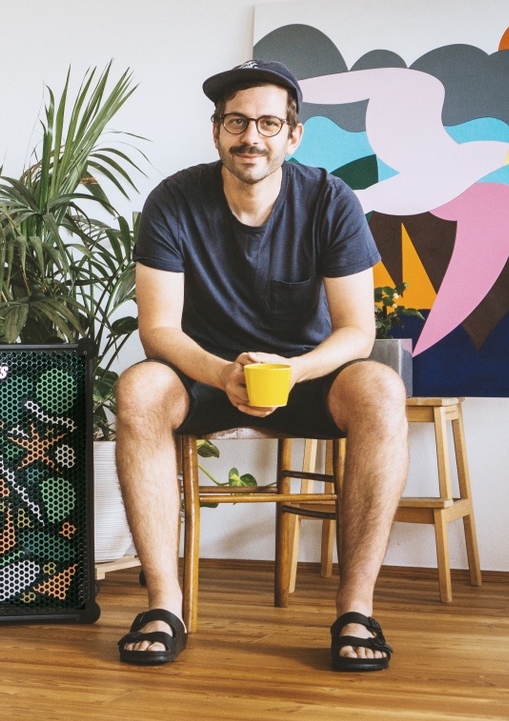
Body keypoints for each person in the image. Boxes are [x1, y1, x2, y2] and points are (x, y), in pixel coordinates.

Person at [114, 60, 409, 672]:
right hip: (206, 374)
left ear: (293, 135)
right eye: (237, 121)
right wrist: (223, 372)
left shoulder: (330, 199)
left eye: (269, 123)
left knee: (381, 387)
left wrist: (294, 371)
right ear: (217, 130)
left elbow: (358, 330)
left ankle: (356, 608)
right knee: (140, 386)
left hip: (307, 379)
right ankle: (164, 606)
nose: (252, 136)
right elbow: (159, 329)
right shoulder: (173, 199)